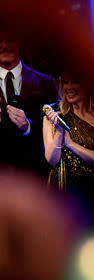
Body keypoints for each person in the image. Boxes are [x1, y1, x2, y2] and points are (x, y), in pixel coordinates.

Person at [43, 73, 94, 223]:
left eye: (75, 81)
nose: (69, 87)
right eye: (65, 82)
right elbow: (52, 160)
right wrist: (60, 132)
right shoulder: (52, 114)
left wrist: (71, 144)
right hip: (61, 188)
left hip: (91, 190)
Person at [0, 32, 58, 175]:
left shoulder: (46, 83)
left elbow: (57, 129)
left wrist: (28, 126)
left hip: (33, 174)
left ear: (20, 43)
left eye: (10, 40)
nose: (4, 46)